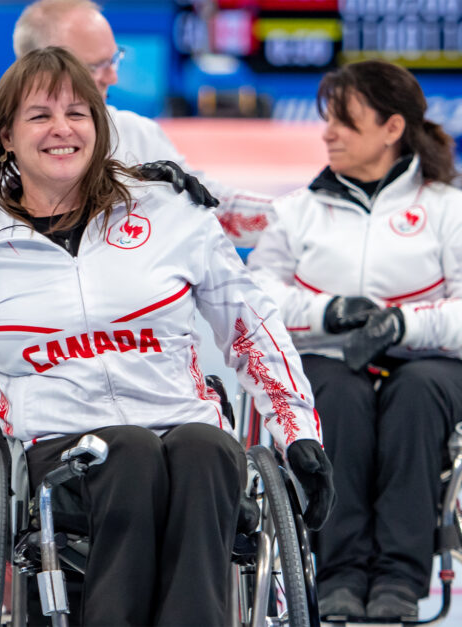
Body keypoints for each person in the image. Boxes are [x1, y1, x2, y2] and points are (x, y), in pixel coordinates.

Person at [0, 46, 335, 626]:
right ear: (5, 138)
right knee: (131, 452)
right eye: (39, 116)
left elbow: (252, 329)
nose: (62, 129)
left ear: (100, 128)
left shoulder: (169, 214)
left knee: (208, 447)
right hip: (66, 449)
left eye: (78, 113)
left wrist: (299, 433)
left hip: (182, 427)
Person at [247, 59, 462, 620]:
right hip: (329, 358)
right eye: (327, 119)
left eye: (345, 121)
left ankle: (399, 577)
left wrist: (401, 324)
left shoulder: (448, 207)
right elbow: (256, 299)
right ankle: (338, 572)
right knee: (335, 395)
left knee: (414, 395)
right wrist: (332, 312)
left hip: (429, 363)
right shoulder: (297, 212)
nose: (327, 133)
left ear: (392, 128)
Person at [0, 0, 273, 249]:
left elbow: (211, 207)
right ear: (42, 62)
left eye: (114, 59)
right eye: (96, 66)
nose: (113, 76)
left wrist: (305, 216)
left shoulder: (136, 133)